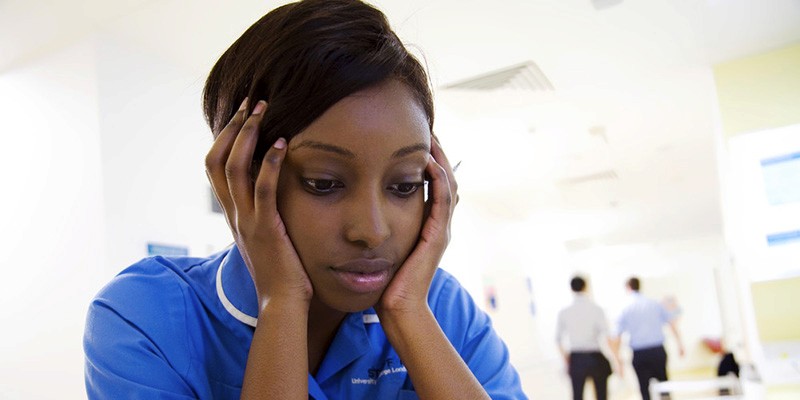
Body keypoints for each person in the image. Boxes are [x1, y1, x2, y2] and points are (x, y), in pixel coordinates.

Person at [82, 0, 526, 399]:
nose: (372, 231)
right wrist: (282, 303)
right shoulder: (144, 317)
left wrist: (410, 316)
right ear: (239, 179)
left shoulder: (446, 311)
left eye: (405, 184)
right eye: (324, 183)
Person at [611, 277, 684, 400]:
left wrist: (617, 359)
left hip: (640, 354)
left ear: (628, 288)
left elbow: (616, 336)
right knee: (664, 386)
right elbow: (672, 324)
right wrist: (680, 344)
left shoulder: (625, 308)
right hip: (657, 351)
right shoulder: (654, 304)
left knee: (644, 389)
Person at [556, 276, 617, 400]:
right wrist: (616, 358)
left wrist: (566, 359)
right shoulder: (596, 309)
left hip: (576, 358)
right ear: (585, 287)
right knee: (601, 394)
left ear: (571, 289)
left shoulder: (564, 312)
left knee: (577, 395)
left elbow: (558, 339)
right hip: (595, 357)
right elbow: (607, 335)